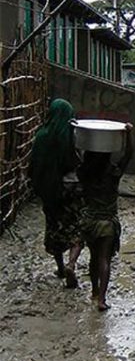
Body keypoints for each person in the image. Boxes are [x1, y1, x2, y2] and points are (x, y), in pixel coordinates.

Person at [77, 124, 133, 311]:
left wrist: (75, 133)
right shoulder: (113, 174)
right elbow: (128, 155)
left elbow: (74, 152)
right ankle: (102, 298)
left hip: (89, 221)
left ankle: (94, 291)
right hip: (108, 223)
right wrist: (128, 135)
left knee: (93, 258)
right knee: (105, 260)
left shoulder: (84, 173)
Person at [29, 98, 83, 288]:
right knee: (76, 227)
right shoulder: (72, 135)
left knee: (54, 227)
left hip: (50, 190)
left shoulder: (41, 136)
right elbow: (78, 162)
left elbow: (34, 165)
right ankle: (72, 264)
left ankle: (60, 268)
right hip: (72, 188)